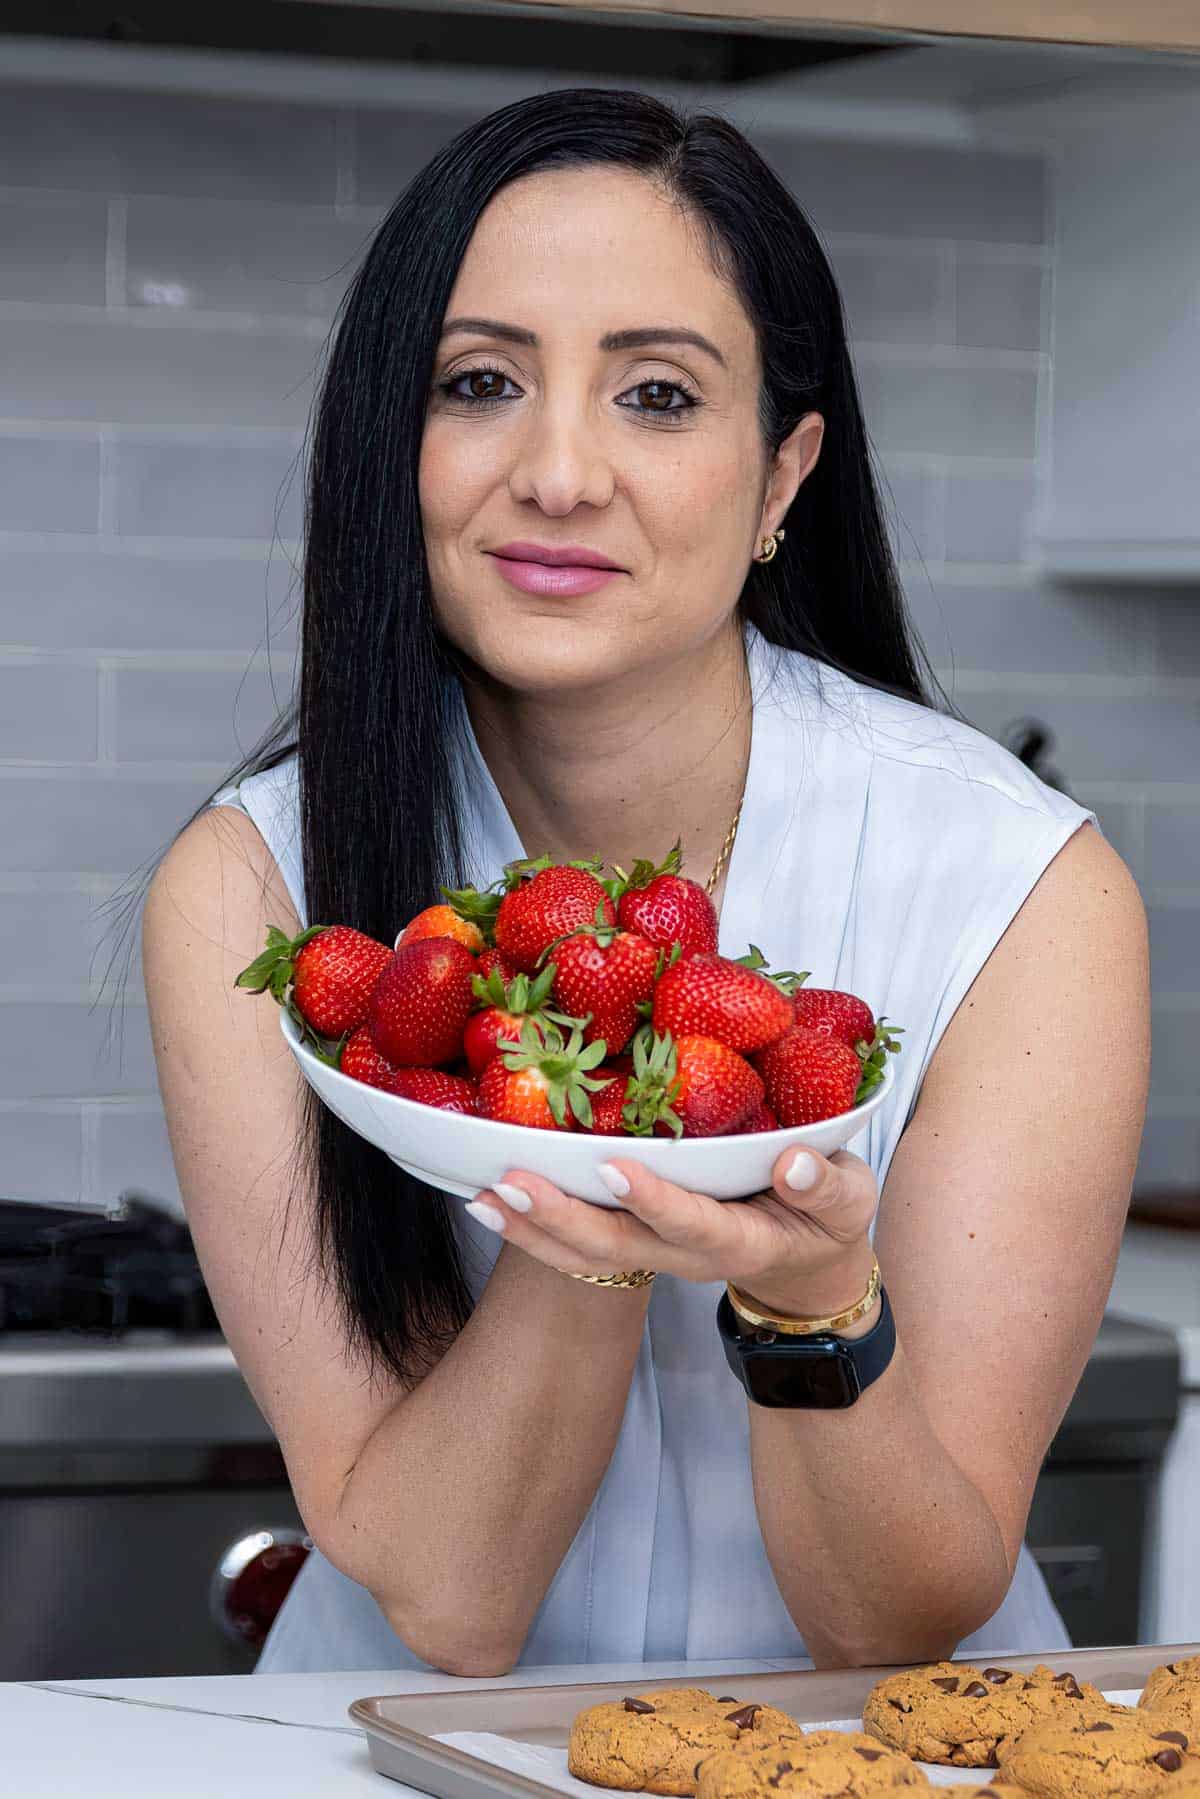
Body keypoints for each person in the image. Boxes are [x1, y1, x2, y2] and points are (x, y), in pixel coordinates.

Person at [138, 88, 1149, 1677]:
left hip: (869, 1765)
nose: (556, 473)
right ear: (388, 446)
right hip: (389, 1758)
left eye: (658, 396)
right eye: (479, 383)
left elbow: (891, 1621)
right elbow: (454, 1602)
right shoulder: (253, 894)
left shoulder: (1019, 886)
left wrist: (814, 1302)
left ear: (780, 479)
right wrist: (599, 1191)